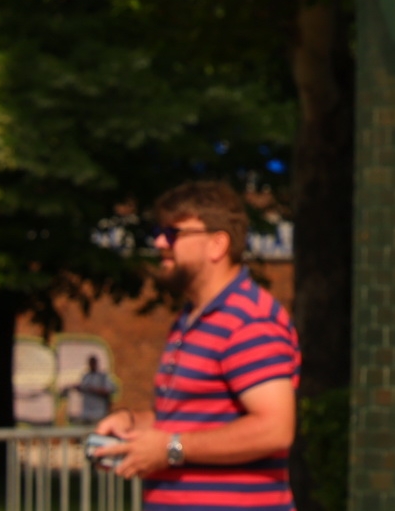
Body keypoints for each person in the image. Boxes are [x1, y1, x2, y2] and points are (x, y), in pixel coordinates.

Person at [95, 181, 299, 510]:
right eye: (159, 231)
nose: (160, 242)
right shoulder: (191, 319)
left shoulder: (248, 320)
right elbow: (186, 421)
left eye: (173, 233)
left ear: (217, 244)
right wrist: (131, 423)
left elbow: (274, 429)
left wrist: (171, 449)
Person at [71, 356, 116, 426]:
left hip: (98, 413)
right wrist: (79, 388)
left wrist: (94, 390)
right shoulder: (86, 376)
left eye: (93, 363)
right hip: (86, 413)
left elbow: (109, 390)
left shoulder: (102, 377)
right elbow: (83, 388)